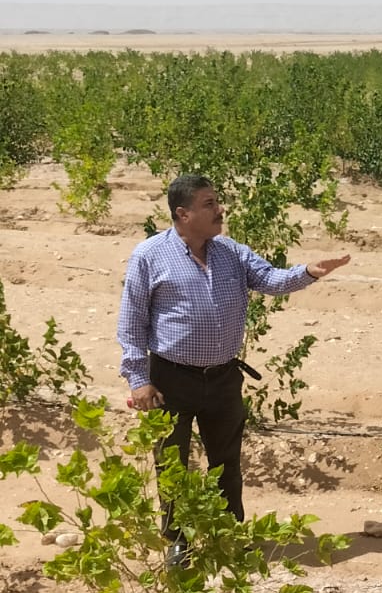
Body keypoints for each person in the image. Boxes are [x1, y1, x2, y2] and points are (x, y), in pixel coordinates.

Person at [117, 173, 349, 545]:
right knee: (172, 466)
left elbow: (271, 280)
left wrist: (307, 272)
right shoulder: (149, 256)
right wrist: (138, 379)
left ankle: (227, 538)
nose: (220, 209)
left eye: (217, 201)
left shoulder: (232, 253)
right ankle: (178, 543)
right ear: (183, 213)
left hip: (223, 379)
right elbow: (132, 323)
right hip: (170, 381)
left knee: (226, 463)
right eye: (209, 204)